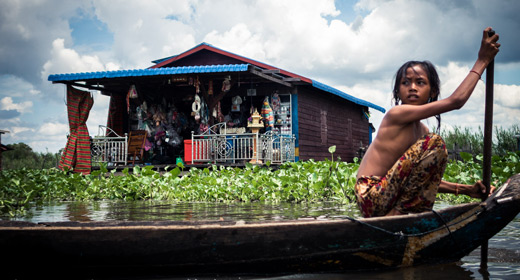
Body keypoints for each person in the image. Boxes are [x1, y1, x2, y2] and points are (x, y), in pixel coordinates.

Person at [355, 27, 500, 218]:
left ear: (432, 92)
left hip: (388, 194)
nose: (412, 88)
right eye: (406, 83)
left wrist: (466, 190)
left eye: (420, 82)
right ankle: (396, 219)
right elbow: (456, 101)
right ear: (397, 92)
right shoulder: (396, 114)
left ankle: (399, 217)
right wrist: (482, 61)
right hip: (371, 195)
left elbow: (421, 180)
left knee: (432, 144)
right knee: (435, 143)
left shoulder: (422, 131)